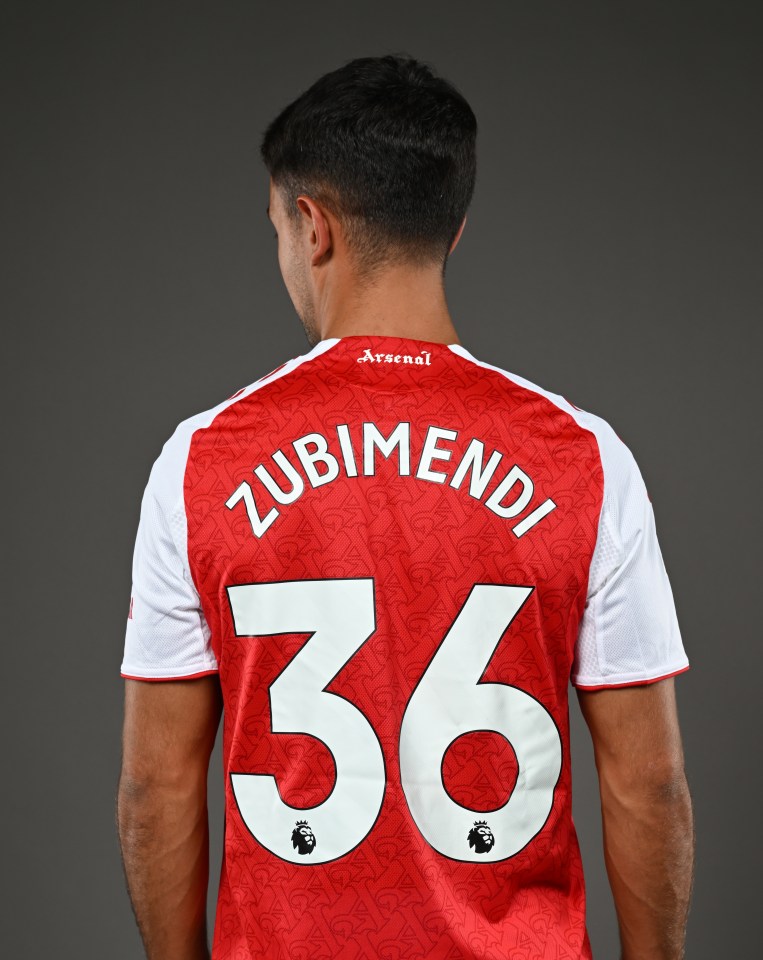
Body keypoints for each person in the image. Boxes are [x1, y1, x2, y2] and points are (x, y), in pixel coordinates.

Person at [116, 54, 694, 960]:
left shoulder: (201, 462)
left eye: (276, 228)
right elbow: (647, 780)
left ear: (312, 227)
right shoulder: (583, 460)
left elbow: (156, 786)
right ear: (453, 228)